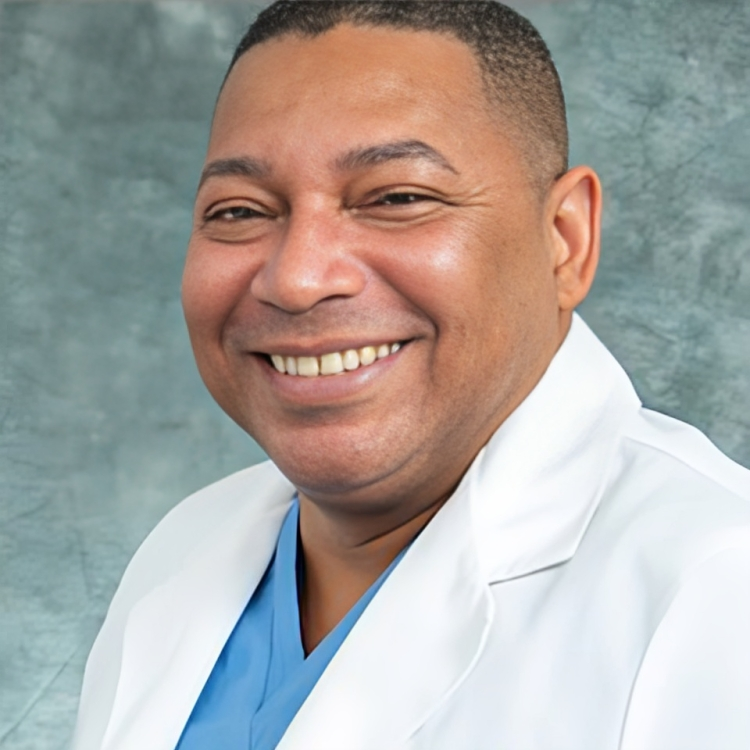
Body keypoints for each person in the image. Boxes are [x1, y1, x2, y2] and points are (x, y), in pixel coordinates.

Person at [72, 2, 750, 749]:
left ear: (565, 240)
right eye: (239, 212)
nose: (297, 278)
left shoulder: (717, 588)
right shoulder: (182, 551)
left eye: (397, 198)